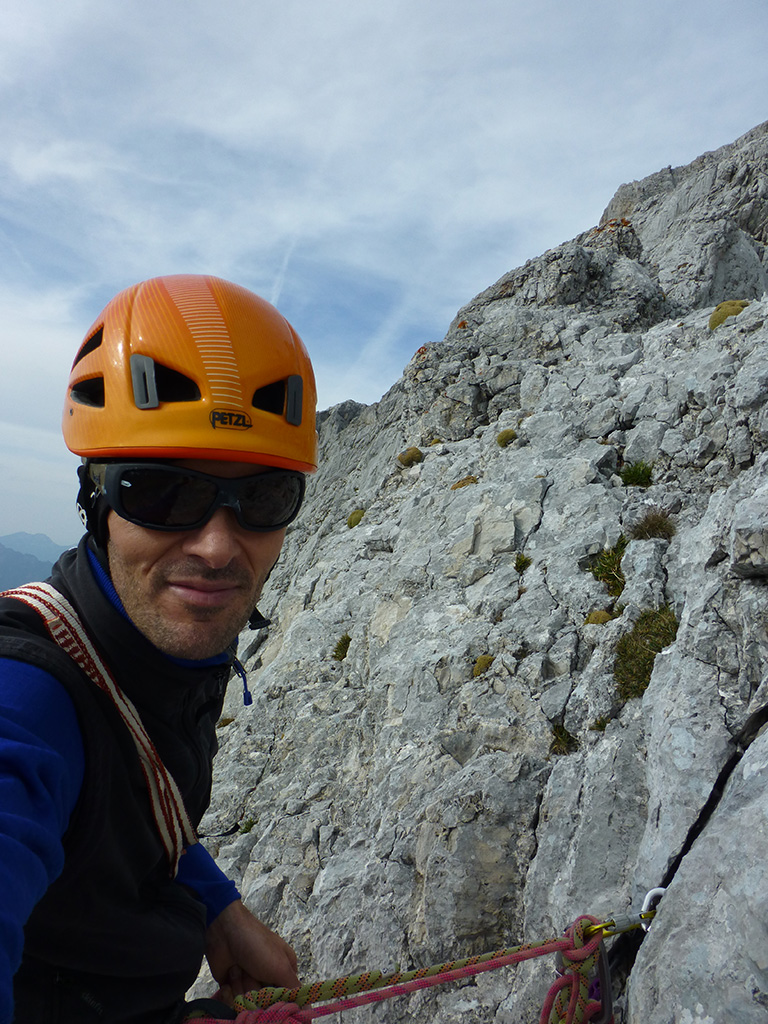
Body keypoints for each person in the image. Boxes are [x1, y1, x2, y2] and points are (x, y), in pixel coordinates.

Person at [0, 274, 318, 1023]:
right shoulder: (27, 696)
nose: (217, 547)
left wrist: (215, 904)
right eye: (161, 493)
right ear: (97, 502)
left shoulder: (157, 656)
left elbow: (122, 790)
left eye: (263, 498)